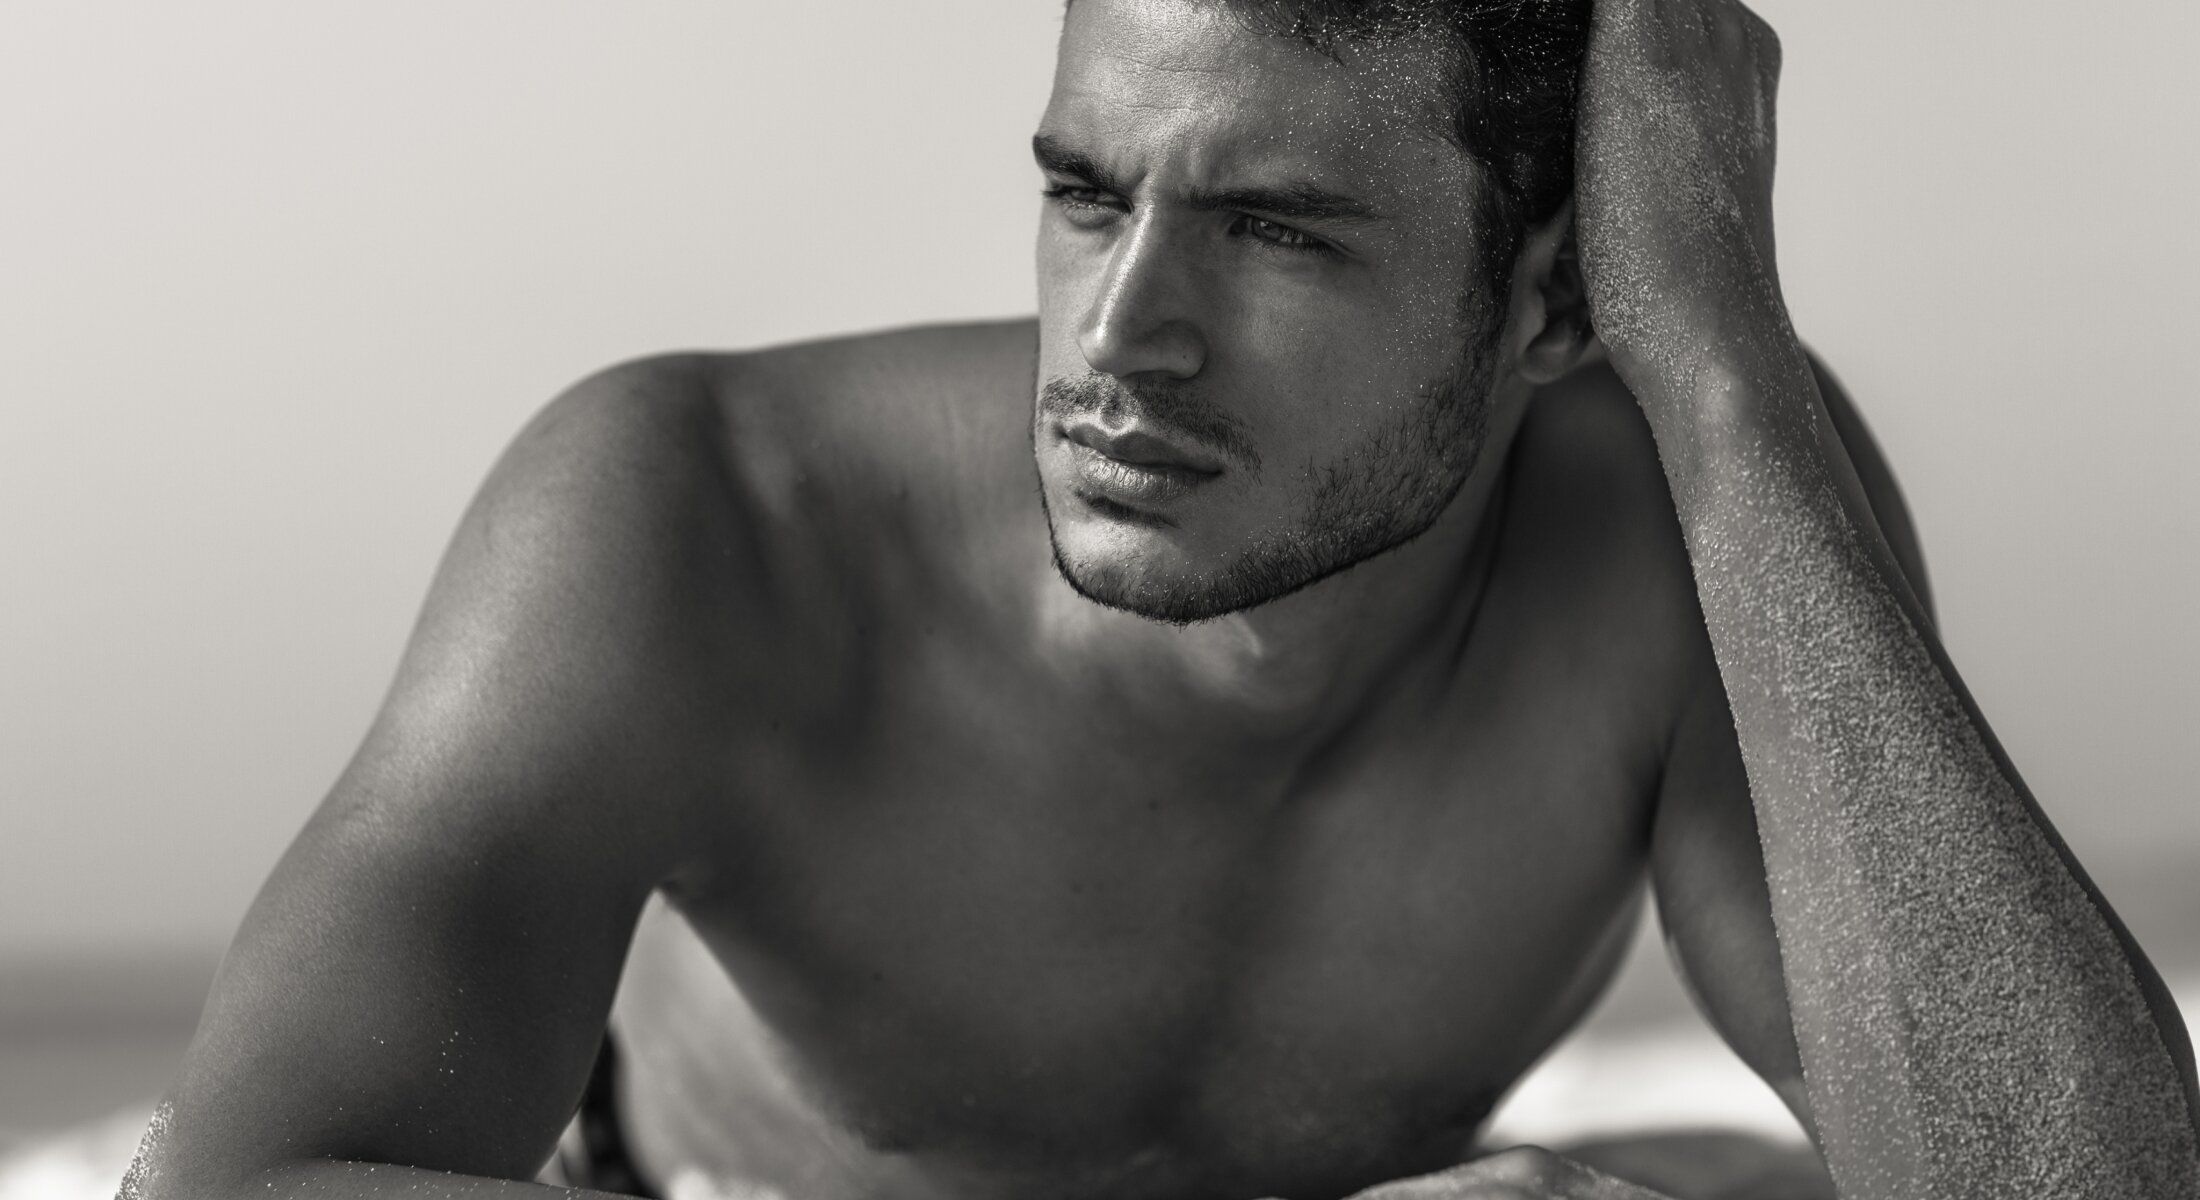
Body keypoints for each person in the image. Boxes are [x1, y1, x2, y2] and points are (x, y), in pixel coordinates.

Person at [121, 0, 2200, 1198]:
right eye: (1082, 192)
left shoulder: (1669, 516)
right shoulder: (693, 522)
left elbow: (2067, 1186)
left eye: (1278, 234)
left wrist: (1729, 372)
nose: (1119, 341)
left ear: (1557, 299)